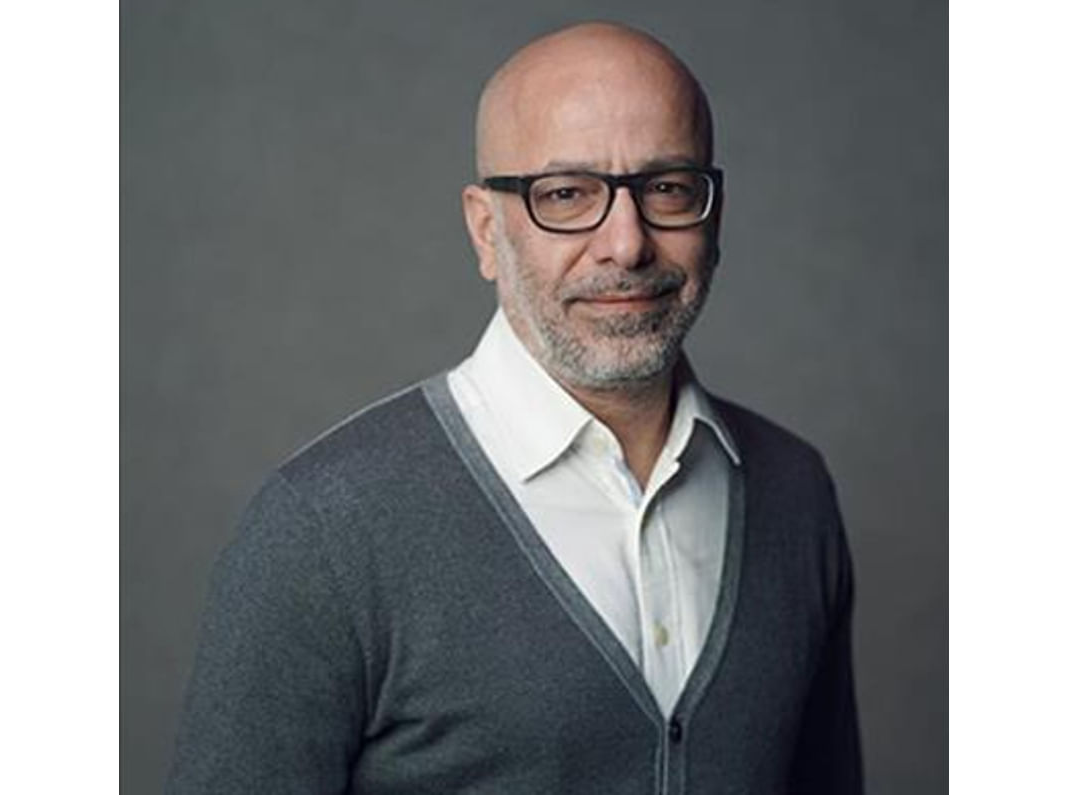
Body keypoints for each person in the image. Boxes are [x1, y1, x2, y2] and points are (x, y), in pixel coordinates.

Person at [167, 21, 863, 795]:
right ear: (485, 230)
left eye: (667, 188)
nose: (626, 244)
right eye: (565, 194)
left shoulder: (796, 493)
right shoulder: (326, 529)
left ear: (715, 214)